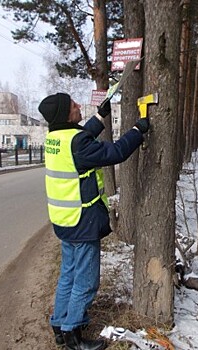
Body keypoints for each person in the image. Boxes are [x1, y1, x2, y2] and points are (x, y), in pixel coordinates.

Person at [38, 92, 149, 350]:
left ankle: (59, 324)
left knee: (68, 275)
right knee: (86, 281)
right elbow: (116, 152)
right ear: (66, 114)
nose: (78, 106)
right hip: (82, 222)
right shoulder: (76, 143)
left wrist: (100, 116)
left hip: (63, 221)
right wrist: (137, 130)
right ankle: (72, 334)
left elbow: (80, 137)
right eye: (73, 105)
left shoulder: (54, 138)